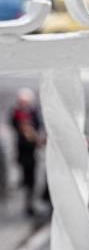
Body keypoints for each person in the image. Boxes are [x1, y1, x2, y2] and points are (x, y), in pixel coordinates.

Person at [10, 88, 43, 217]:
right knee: (26, 176)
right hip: (22, 150)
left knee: (32, 179)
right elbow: (12, 124)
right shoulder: (16, 112)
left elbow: (38, 125)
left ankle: (30, 203)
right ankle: (27, 201)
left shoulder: (33, 112)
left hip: (32, 150)